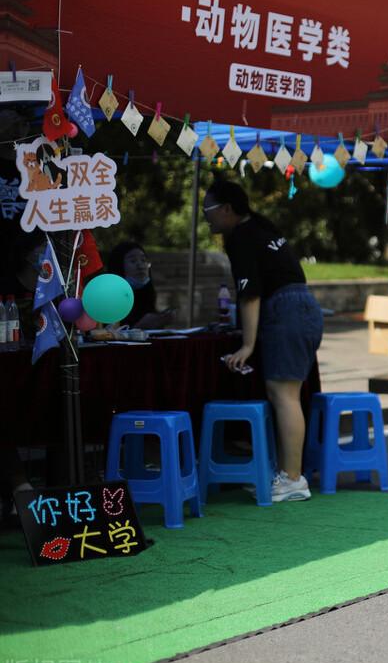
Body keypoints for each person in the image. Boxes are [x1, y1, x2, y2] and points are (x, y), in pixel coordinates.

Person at [202, 180, 322, 503]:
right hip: (302, 308)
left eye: (207, 211)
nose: (205, 218)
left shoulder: (241, 236)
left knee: (285, 396)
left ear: (226, 209)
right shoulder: (261, 227)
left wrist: (248, 345)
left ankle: (293, 479)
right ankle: (286, 474)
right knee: (283, 394)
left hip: (287, 311)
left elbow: (250, 294)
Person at [106, 242, 173, 329]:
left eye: (143, 260)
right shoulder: (108, 300)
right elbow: (105, 333)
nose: (141, 266)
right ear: (118, 266)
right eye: (133, 261)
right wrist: (140, 327)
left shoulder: (146, 295)